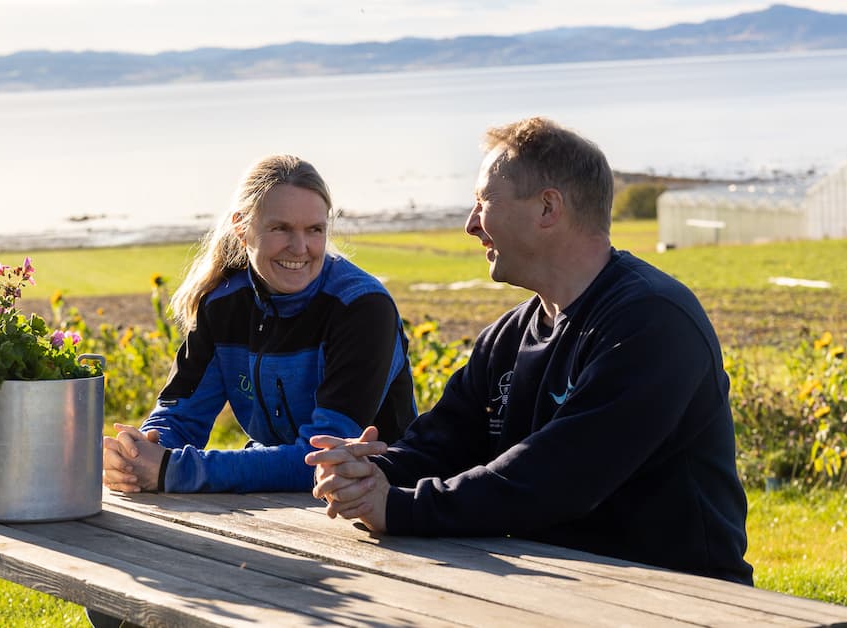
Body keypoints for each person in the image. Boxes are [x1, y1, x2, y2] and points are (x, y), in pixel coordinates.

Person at [305, 117, 754, 586]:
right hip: (548, 582)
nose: (470, 224)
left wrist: (398, 506)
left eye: (483, 202)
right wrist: (366, 471)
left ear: (547, 208)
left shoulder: (652, 322)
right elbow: (442, 442)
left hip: (678, 595)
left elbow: (557, 477)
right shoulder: (509, 335)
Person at [102, 154, 416, 494]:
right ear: (241, 227)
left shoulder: (362, 308)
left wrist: (171, 469)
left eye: (314, 230)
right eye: (280, 228)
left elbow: (324, 459)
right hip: (275, 503)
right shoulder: (221, 304)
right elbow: (180, 416)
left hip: (382, 500)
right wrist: (139, 452)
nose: (300, 248)